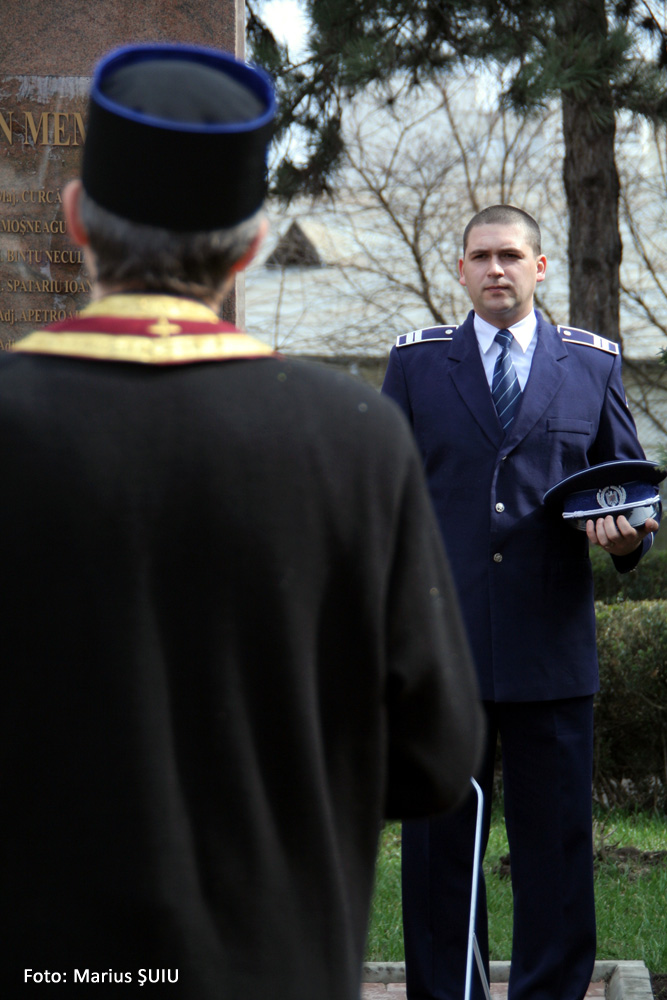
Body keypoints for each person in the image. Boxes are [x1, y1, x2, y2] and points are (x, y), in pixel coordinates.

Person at [0, 45, 483, 999]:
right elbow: (434, 756)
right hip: (272, 963)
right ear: (251, 246)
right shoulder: (354, 439)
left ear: (74, 223)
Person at [382, 204, 659, 1000]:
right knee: (438, 849)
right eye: (480, 257)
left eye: (510, 255)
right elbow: (384, 500)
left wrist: (626, 538)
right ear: (459, 269)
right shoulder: (416, 366)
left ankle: (551, 993)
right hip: (443, 652)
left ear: (540, 267)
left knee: (556, 851)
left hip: (551, 649)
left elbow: (632, 489)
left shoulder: (591, 365)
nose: (494, 269)